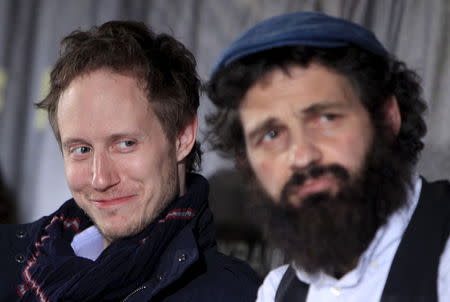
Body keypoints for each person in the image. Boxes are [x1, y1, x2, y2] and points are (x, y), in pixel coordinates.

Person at [0, 20, 260, 302]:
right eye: (81, 149)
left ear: (182, 137)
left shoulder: (235, 294)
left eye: (125, 144)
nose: (100, 179)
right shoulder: (10, 261)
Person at [206, 11, 450, 301]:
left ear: (386, 119)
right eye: (271, 135)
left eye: (326, 118)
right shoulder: (276, 291)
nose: (302, 156)